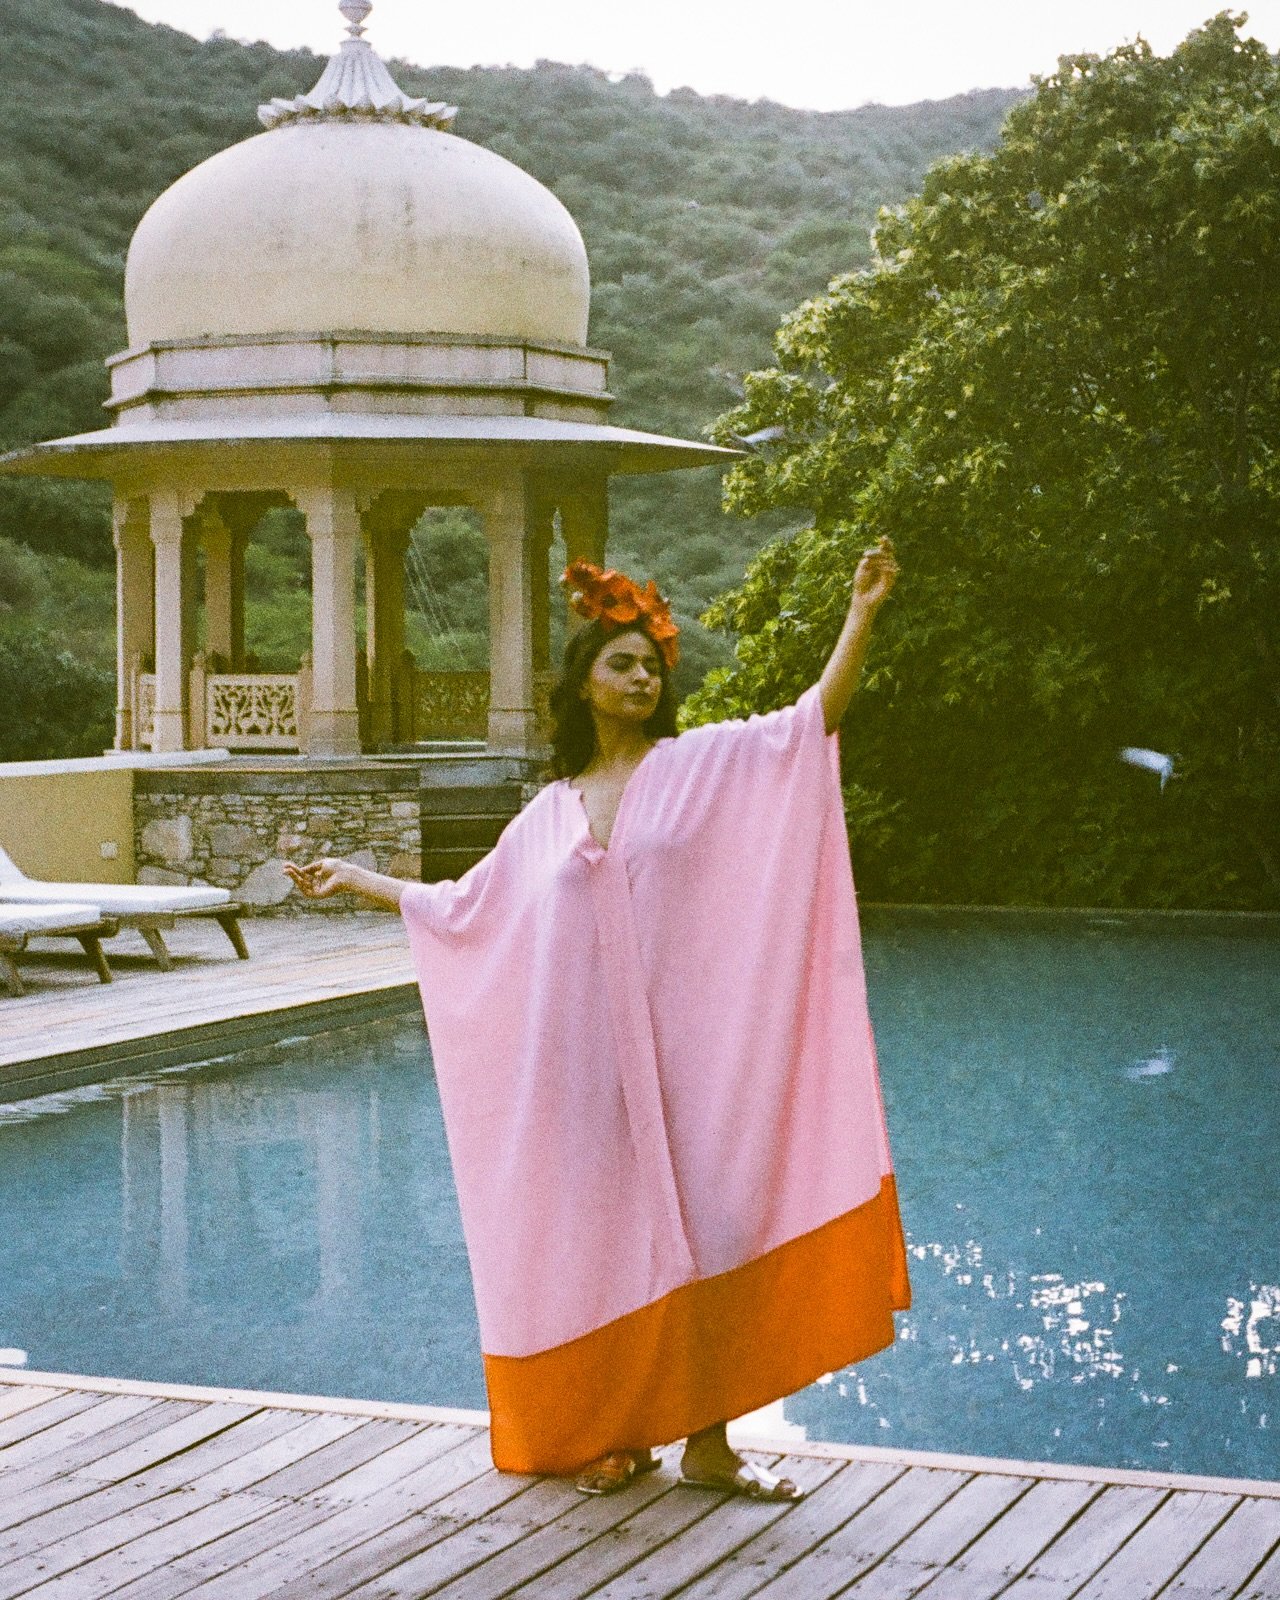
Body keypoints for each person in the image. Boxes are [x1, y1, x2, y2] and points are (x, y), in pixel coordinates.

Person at [285, 535, 909, 1503]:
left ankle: (709, 1443)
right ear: (584, 682)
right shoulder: (549, 813)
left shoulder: (699, 765)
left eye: (653, 666)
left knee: (709, 1230)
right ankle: (617, 1435)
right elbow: (463, 907)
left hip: (688, 1065)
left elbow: (809, 722)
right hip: (586, 1080)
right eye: (622, 664)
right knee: (609, 1242)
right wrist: (358, 877)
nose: (643, 678)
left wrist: (860, 612)